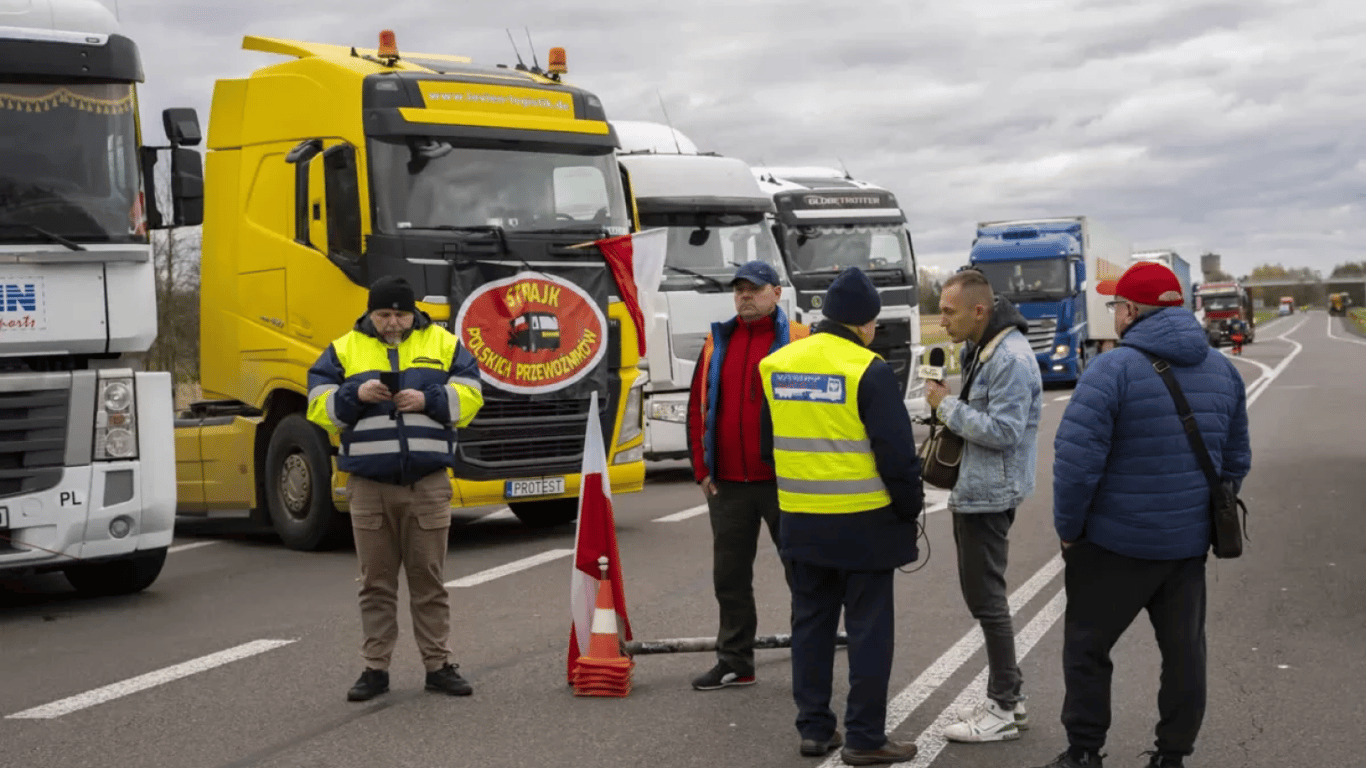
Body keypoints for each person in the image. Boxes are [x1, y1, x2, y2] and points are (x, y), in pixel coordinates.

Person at [1029, 262, 1251, 768]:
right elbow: (1236, 462)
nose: (1116, 315)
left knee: (1087, 650)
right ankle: (1171, 756)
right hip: (1186, 547)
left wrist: (1070, 531)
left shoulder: (1111, 370)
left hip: (1114, 545)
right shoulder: (1222, 369)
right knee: (1185, 655)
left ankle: (1085, 752)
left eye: (1117, 307)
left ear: (1130, 311)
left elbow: (1076, 462)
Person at [758, 267, 924, 764]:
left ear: (827, 316)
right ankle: (865, 737)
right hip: (864, 521)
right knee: (870, 631)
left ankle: (813, 729)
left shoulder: (777, 364)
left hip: (801, 519)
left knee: (811, 625)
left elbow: (770, 447)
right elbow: (897, 455)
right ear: (866, 323)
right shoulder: (867, 368)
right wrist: (910, 509)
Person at [306, 275, 485, 702]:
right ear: (370, 312)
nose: (392, 323)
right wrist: (355, 394)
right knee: (376, 583)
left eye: (400, 314)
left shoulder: (443, 344)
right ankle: (375, 669)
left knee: (429, 581)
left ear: (413, 312)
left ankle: (438, 665)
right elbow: (317, 404)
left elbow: (474, 395)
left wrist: (429, 400)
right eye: (384, 314)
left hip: (426, 483)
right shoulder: (342, 349)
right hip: (368, 486)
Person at [925, 269, 1042, 743]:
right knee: (983, 597)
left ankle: (1004, 705)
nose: (941, 322)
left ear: (979, 311)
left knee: (987, 600)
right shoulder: (983, 348)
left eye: (949, 312)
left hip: (990, 493)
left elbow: (1006, 431)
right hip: (978, 489)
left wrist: (946, 407)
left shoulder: (1009, 357)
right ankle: (1008, 702)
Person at [685, 260, 808, 691]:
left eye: (754, 289)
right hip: (729, 485)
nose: (745, 296)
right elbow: (697, 407)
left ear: (776, 293)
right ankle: (736, 661)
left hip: (783, 482)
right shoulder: (716, 342)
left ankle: (810, 659)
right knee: (730, 579)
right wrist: (702, 469)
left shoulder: (800, 340)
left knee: (803, 574)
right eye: (739, 289)